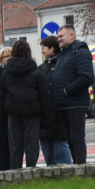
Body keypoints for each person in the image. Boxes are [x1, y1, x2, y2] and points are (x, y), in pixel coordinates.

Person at [0, 39, 49, 168]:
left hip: (13, 112)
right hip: (32, 112)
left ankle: (16, 172)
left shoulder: (7, 72)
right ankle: (31, 170)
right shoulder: (35, 70)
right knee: (31, 144)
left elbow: (2, 95)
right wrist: (46, 115)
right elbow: (43, 94)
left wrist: (2, 115)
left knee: (15, 146)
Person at [51, 25, 94, 163]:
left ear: (72, 36)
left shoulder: (80, 52)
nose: (58, 39)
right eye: (58, 36)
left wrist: (67, 90)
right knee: (70, 139)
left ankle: (81, 168)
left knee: (77, 139)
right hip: (63, 104)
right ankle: (76, 168)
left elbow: (86, 77)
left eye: (61, 36)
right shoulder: (64, 53)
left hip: (75, 103)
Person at [37, 37, 71, 166]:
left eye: (43, 48)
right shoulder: (42, 67)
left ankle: (68, 177)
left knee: (62, 155)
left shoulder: (61, 65)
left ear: (52, 49)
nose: (42, 51)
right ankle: (51, 177)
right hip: (44, 117)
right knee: (49, 157)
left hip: (58, 114)